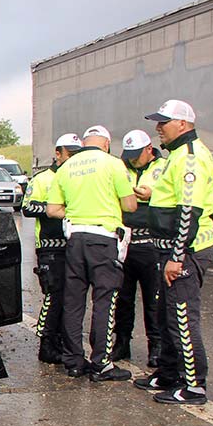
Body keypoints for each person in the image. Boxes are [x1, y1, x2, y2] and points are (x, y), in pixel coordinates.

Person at [134, 100, 213, 405]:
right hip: (169, 249)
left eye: (164, 122)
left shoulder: (190, 157)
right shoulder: (178, 155)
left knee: (182, 317)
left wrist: (176, 257)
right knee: (166, 313)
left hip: (185, 251)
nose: (158, 128)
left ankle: (194, 385)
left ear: (182, 124)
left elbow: (188, 212)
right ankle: (168, 373)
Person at [46, 125, 138, 381]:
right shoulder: (113, 164)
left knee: (74, 302)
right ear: (106, 144)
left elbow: (52, 210)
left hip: (75, 239)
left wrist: (77, 213)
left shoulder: (66, 168)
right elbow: (130, 205)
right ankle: (101, 363)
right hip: (104, 239)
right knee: (104, 300)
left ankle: (74, 362)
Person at [22, 133, 80, 364]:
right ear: (58, 154)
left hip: (73, 245)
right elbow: (27, 207)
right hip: (50, 247)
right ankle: (46, 343)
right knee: (53, 295)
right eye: (70, 154)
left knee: (71, 298)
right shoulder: (43, 179)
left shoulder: (78, 177)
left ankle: (63, 342)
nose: (73, 158)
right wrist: (53, 208)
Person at [113, 129, 169, 367]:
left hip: (150, 243)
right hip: (125, 241)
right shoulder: (121, 167)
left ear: (149, 149)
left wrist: (152, 194)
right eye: (129, 156)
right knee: (122, 298)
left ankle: (156, 346)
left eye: (137, 155)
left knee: (154, 299)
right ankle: (121, 343)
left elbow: (174, 195)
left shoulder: (164, 167)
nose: (133, 160)